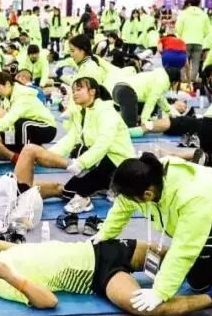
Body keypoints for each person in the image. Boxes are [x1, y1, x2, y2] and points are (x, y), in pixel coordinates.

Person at [92, 153, 212, 314]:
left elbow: (185, 247)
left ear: (148, 194)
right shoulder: (146, 178)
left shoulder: (192, 195)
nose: (127, 201)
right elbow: (123, 206)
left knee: (203, 260)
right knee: (197, 282)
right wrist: (103, 235)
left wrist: (160, 292)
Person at [0, 232, 212, 316]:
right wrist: (11, 278)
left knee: (178, 255)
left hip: (102, 248)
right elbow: (48, 301)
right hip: (100, 276)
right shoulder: (0, 282)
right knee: (146, 307)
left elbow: (30, 250)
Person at [17, 77, 135, 215]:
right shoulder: (82, 112)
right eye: (73, 91)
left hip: (117, 162)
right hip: (98, 161)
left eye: (79, 90)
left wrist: (80, 163)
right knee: (67, 192)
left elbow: (103, 144)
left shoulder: (106, 112)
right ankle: (22, 192)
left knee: (71, 184)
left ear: (92, 92)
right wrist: (48, 155)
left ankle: (111, 185)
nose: (74, 94)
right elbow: (71, 138)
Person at [0, 72, 57, 163]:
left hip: (46, 127)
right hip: (27, 128)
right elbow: (9, 123)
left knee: (22, 124)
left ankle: (26, 157)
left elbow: (11, 118)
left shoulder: (22, 95)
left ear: (7, 84)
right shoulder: (7, 98)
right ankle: (14, 154)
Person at [109, 66, 180, 128]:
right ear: (174, 81)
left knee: (129, 123)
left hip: (117, 90)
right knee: (131, 128)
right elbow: (151, 101)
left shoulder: (159, 75)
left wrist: (169, 111)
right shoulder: (162, 81)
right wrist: (144, 120)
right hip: (126, 92)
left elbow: (160, 99)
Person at [175, 0, 209, 82]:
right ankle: (193, 79)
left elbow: (178, 28)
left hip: (185, 41)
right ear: (199, 4)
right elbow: (207, 30)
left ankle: (183, 79)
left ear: (189, 4)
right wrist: (201, 36)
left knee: (184, 61)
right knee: (195, 62)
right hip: (198, 42)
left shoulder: (184, 13)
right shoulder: (203, 14)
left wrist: (181, 36)